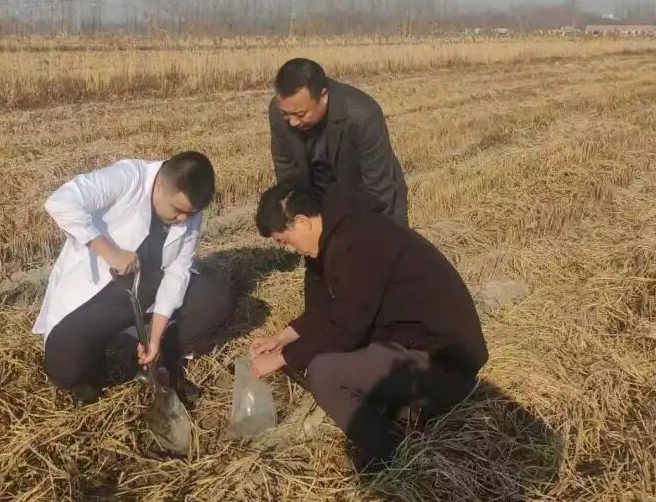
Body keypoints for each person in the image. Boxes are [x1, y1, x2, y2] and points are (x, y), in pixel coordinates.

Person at [249, 182, 488, 469]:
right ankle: (402, 411)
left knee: (324, 372)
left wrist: (282, 359)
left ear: (302, 222)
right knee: (321, 356)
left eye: (284, 240)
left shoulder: (359, 242)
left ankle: (385, 458)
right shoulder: (331, 238)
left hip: (444, 363)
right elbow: (326, 308)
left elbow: (345, 329)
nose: (289, 249)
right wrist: (282, 339)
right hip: (409, 342)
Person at [34, 152, 234, 404]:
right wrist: (111, 253)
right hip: (99, 296)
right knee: (65, 372)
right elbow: (60, 201)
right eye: (178, 210)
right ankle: (96, 354)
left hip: (147, 295)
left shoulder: (189, 213)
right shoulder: (129, 177)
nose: (183, 219)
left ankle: (152, 353)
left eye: (191, 214)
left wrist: (155, 337)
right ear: (160, 186)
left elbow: (177, 272)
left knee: (216, 297)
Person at [269, 58, 408, 226]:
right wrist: (298, 213)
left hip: (366, 194)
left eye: (301, 114)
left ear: (323, 96)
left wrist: (372, 230)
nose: (292, 122)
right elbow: (286, 165)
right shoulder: (278, 112)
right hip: (318, 196)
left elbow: (378, 188)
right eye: (286, 114)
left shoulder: (363, 116)